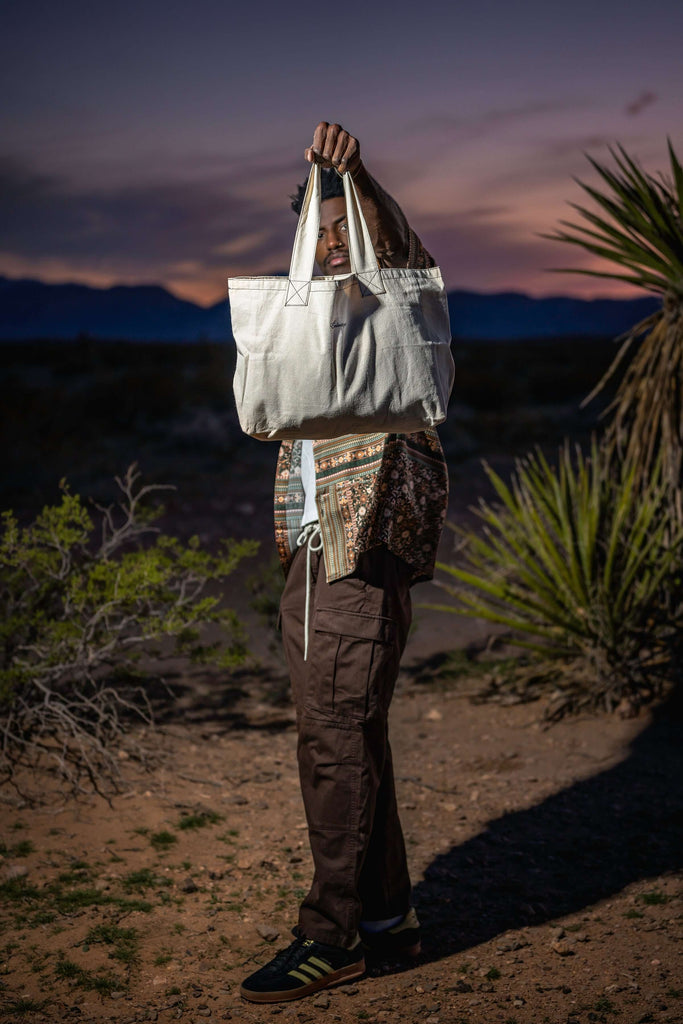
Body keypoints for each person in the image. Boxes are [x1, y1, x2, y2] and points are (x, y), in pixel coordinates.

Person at [240, 122, 449, 1004]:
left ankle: (330, 934)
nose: (333, 247)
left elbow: (393, 238)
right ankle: (383, 916)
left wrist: (356, 176)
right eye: (319, 234)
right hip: (314, 542)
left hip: (366, 542)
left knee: (332, 729)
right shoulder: (314, 328)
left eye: (345, 231)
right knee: (345, 727)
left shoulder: (385, 300)